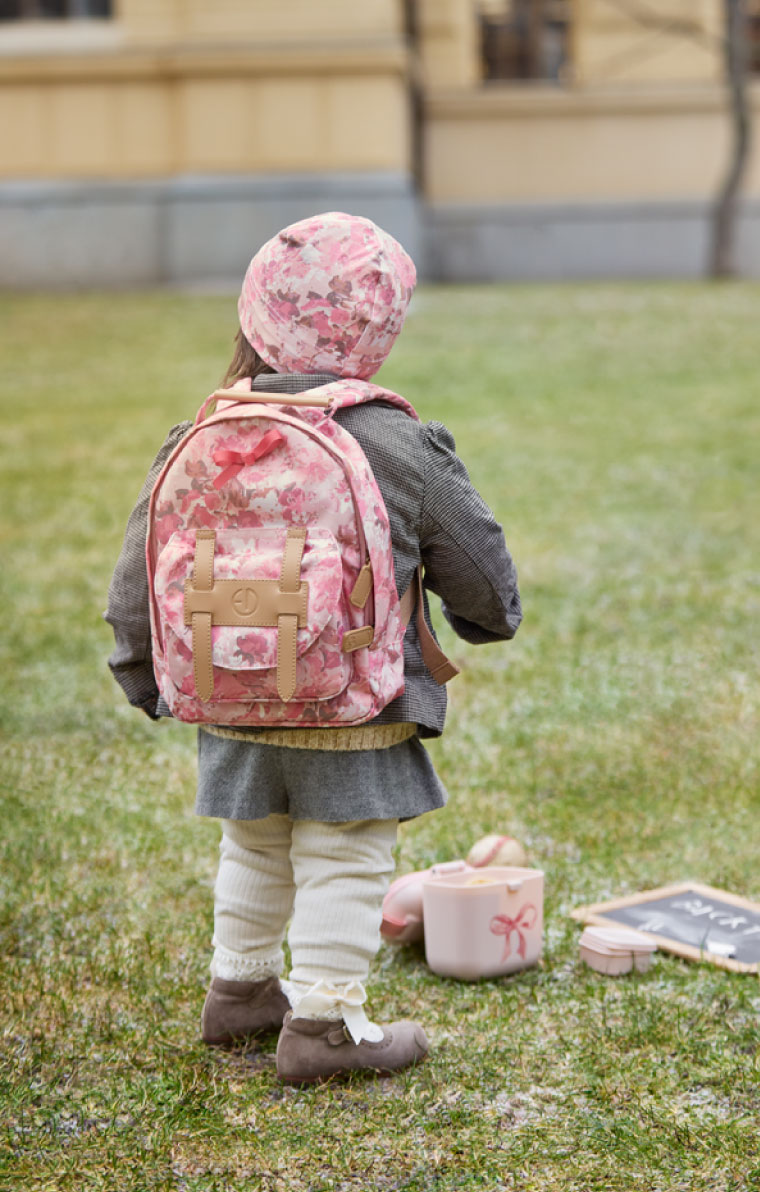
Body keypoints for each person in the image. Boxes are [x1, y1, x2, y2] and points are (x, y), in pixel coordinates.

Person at [104, 212, 522, 1083]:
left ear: (255, 315)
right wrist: (489, 620)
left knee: (254, 842)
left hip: (231, 700)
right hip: (352, 703)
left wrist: (142, 673)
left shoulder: (200, 436)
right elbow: (476, 565)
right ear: (378, 333)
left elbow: (138, 573)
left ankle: (241, 992)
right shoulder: (398, 442)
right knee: (347, 849)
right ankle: (324, 1025)